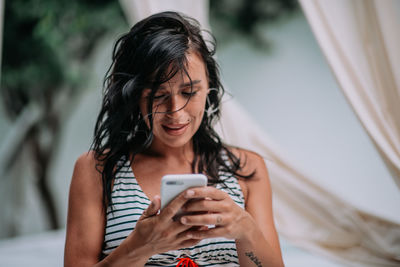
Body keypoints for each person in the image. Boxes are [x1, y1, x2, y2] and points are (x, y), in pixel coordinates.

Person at [64, 11, 284, 267]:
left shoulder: (247, 167)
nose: (176, 112)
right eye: (158, 95)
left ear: (209, 88)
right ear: (135, 95)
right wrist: (140, 246)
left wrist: (246, 230)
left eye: (189, 91)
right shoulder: (96, 170)